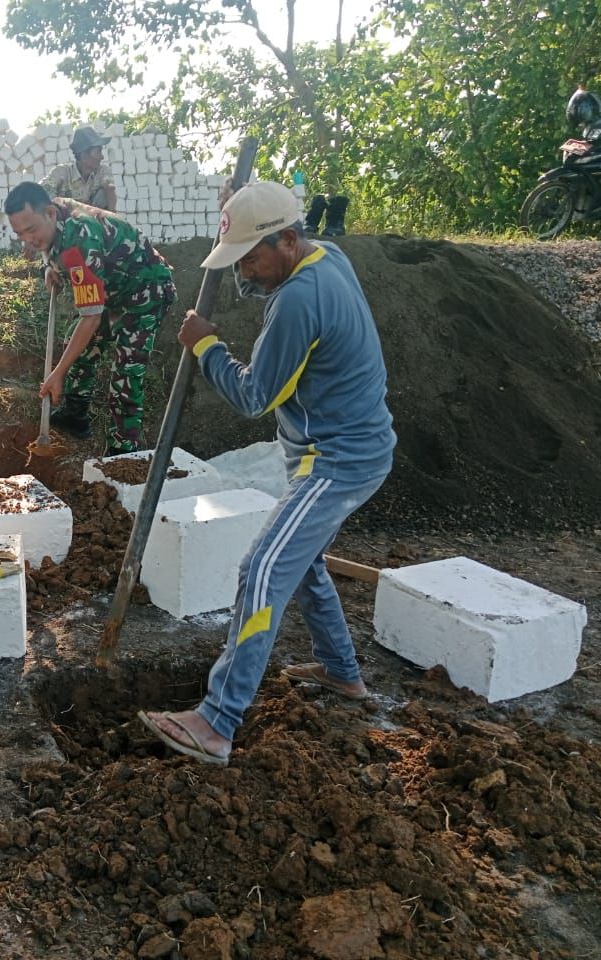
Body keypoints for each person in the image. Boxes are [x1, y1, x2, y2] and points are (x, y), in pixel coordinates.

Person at [137, 181, 396, 765]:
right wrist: (241, 215)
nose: (245, 274)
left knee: (261, 567)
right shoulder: (327, 254)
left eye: (251, 259)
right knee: (299, 564)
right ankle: (341, 672)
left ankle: (215, 722)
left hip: (337, 462)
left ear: (286, 239)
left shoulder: (299, 300)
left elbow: (256, 395)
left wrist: (207, 348)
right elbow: (266, 273)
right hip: (353, 448)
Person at [4, 181, 176, 455]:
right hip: (111, 287)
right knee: (79, 344)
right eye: (20, 234)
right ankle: (76, 413)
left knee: (126, 372)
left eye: (31, 230)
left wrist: (57, 374)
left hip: (146, 290)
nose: (28, 240)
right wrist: (49, 264)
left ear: (48, 213)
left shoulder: (79, 239)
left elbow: (92, 319)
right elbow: (49, 242)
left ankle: (123, 452)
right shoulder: (55, 211)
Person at [40, 126, 117, 211]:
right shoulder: (62, 172)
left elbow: (110, 189)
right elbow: (41, 191)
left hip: (93, 221)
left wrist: (114, 216)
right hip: (66, 220)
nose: (102, 157)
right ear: (84, 156)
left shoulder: (102, 170)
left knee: (103, 194)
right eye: (98, 151)